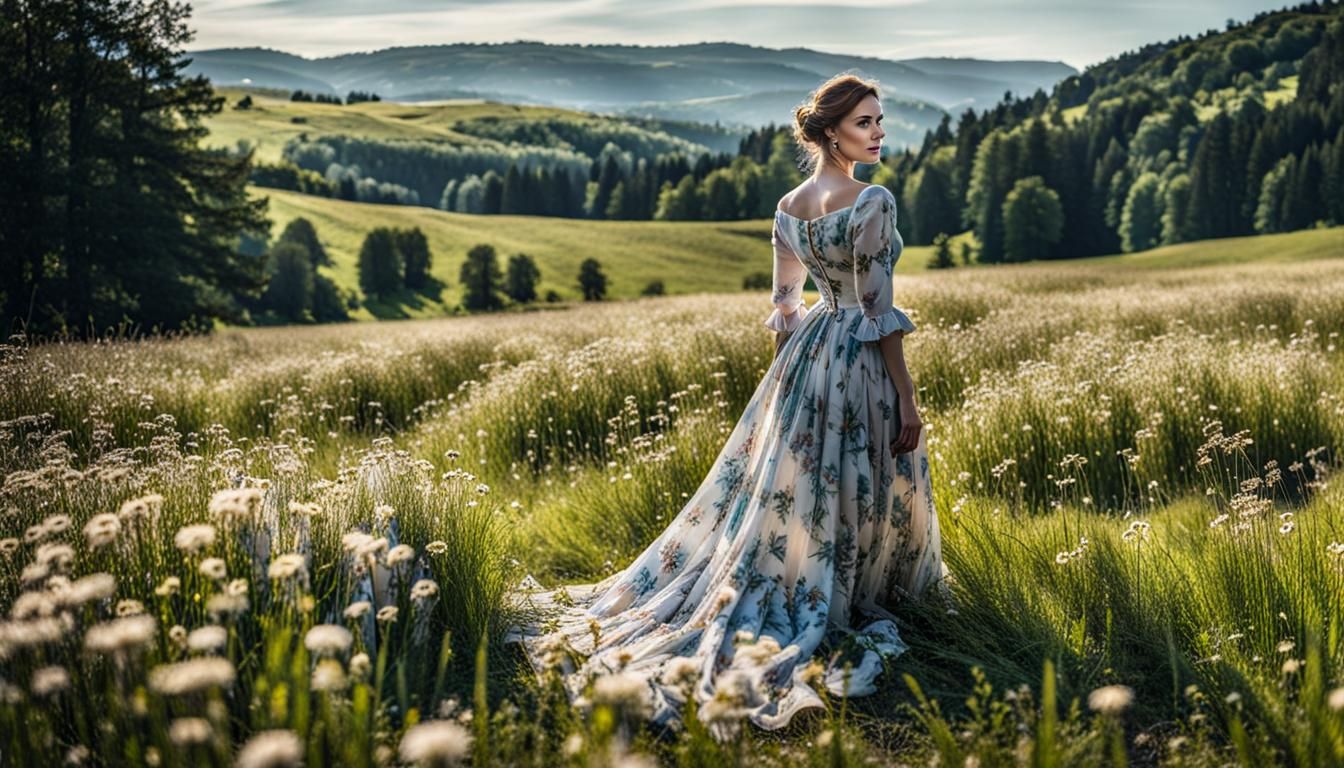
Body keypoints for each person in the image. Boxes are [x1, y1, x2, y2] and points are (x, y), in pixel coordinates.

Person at [505, 73, 951, 737]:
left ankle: (824, 586)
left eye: (880, 121)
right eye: (865, 123)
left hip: (806, 359)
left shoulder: (788, 207)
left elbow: (784, 306)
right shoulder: (871, 201)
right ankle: (861, 593)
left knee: (803, 487)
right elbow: (877, 312)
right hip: (856, 363)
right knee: (870, 473)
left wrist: (785, 390)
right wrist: (907, 400)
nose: (878, 133)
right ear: (832, 132)